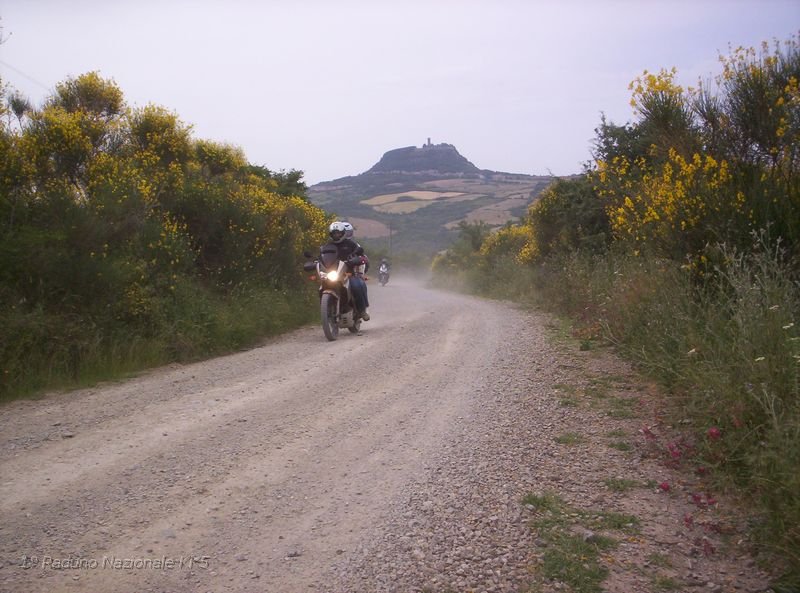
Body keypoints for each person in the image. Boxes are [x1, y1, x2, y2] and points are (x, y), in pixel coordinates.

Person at [326, 221, 370, 321]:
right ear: (331, 234)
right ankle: (327, 309)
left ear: (342, 233)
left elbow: (359, 252)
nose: (336, 235)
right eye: (334, 233)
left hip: (349, 273)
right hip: (334, 272)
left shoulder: (350, 244)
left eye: (338, 233)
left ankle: (362, 310)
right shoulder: (328, 245)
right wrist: (318, 260)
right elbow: (323, 255)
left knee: (357, 285)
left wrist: (356, 259)